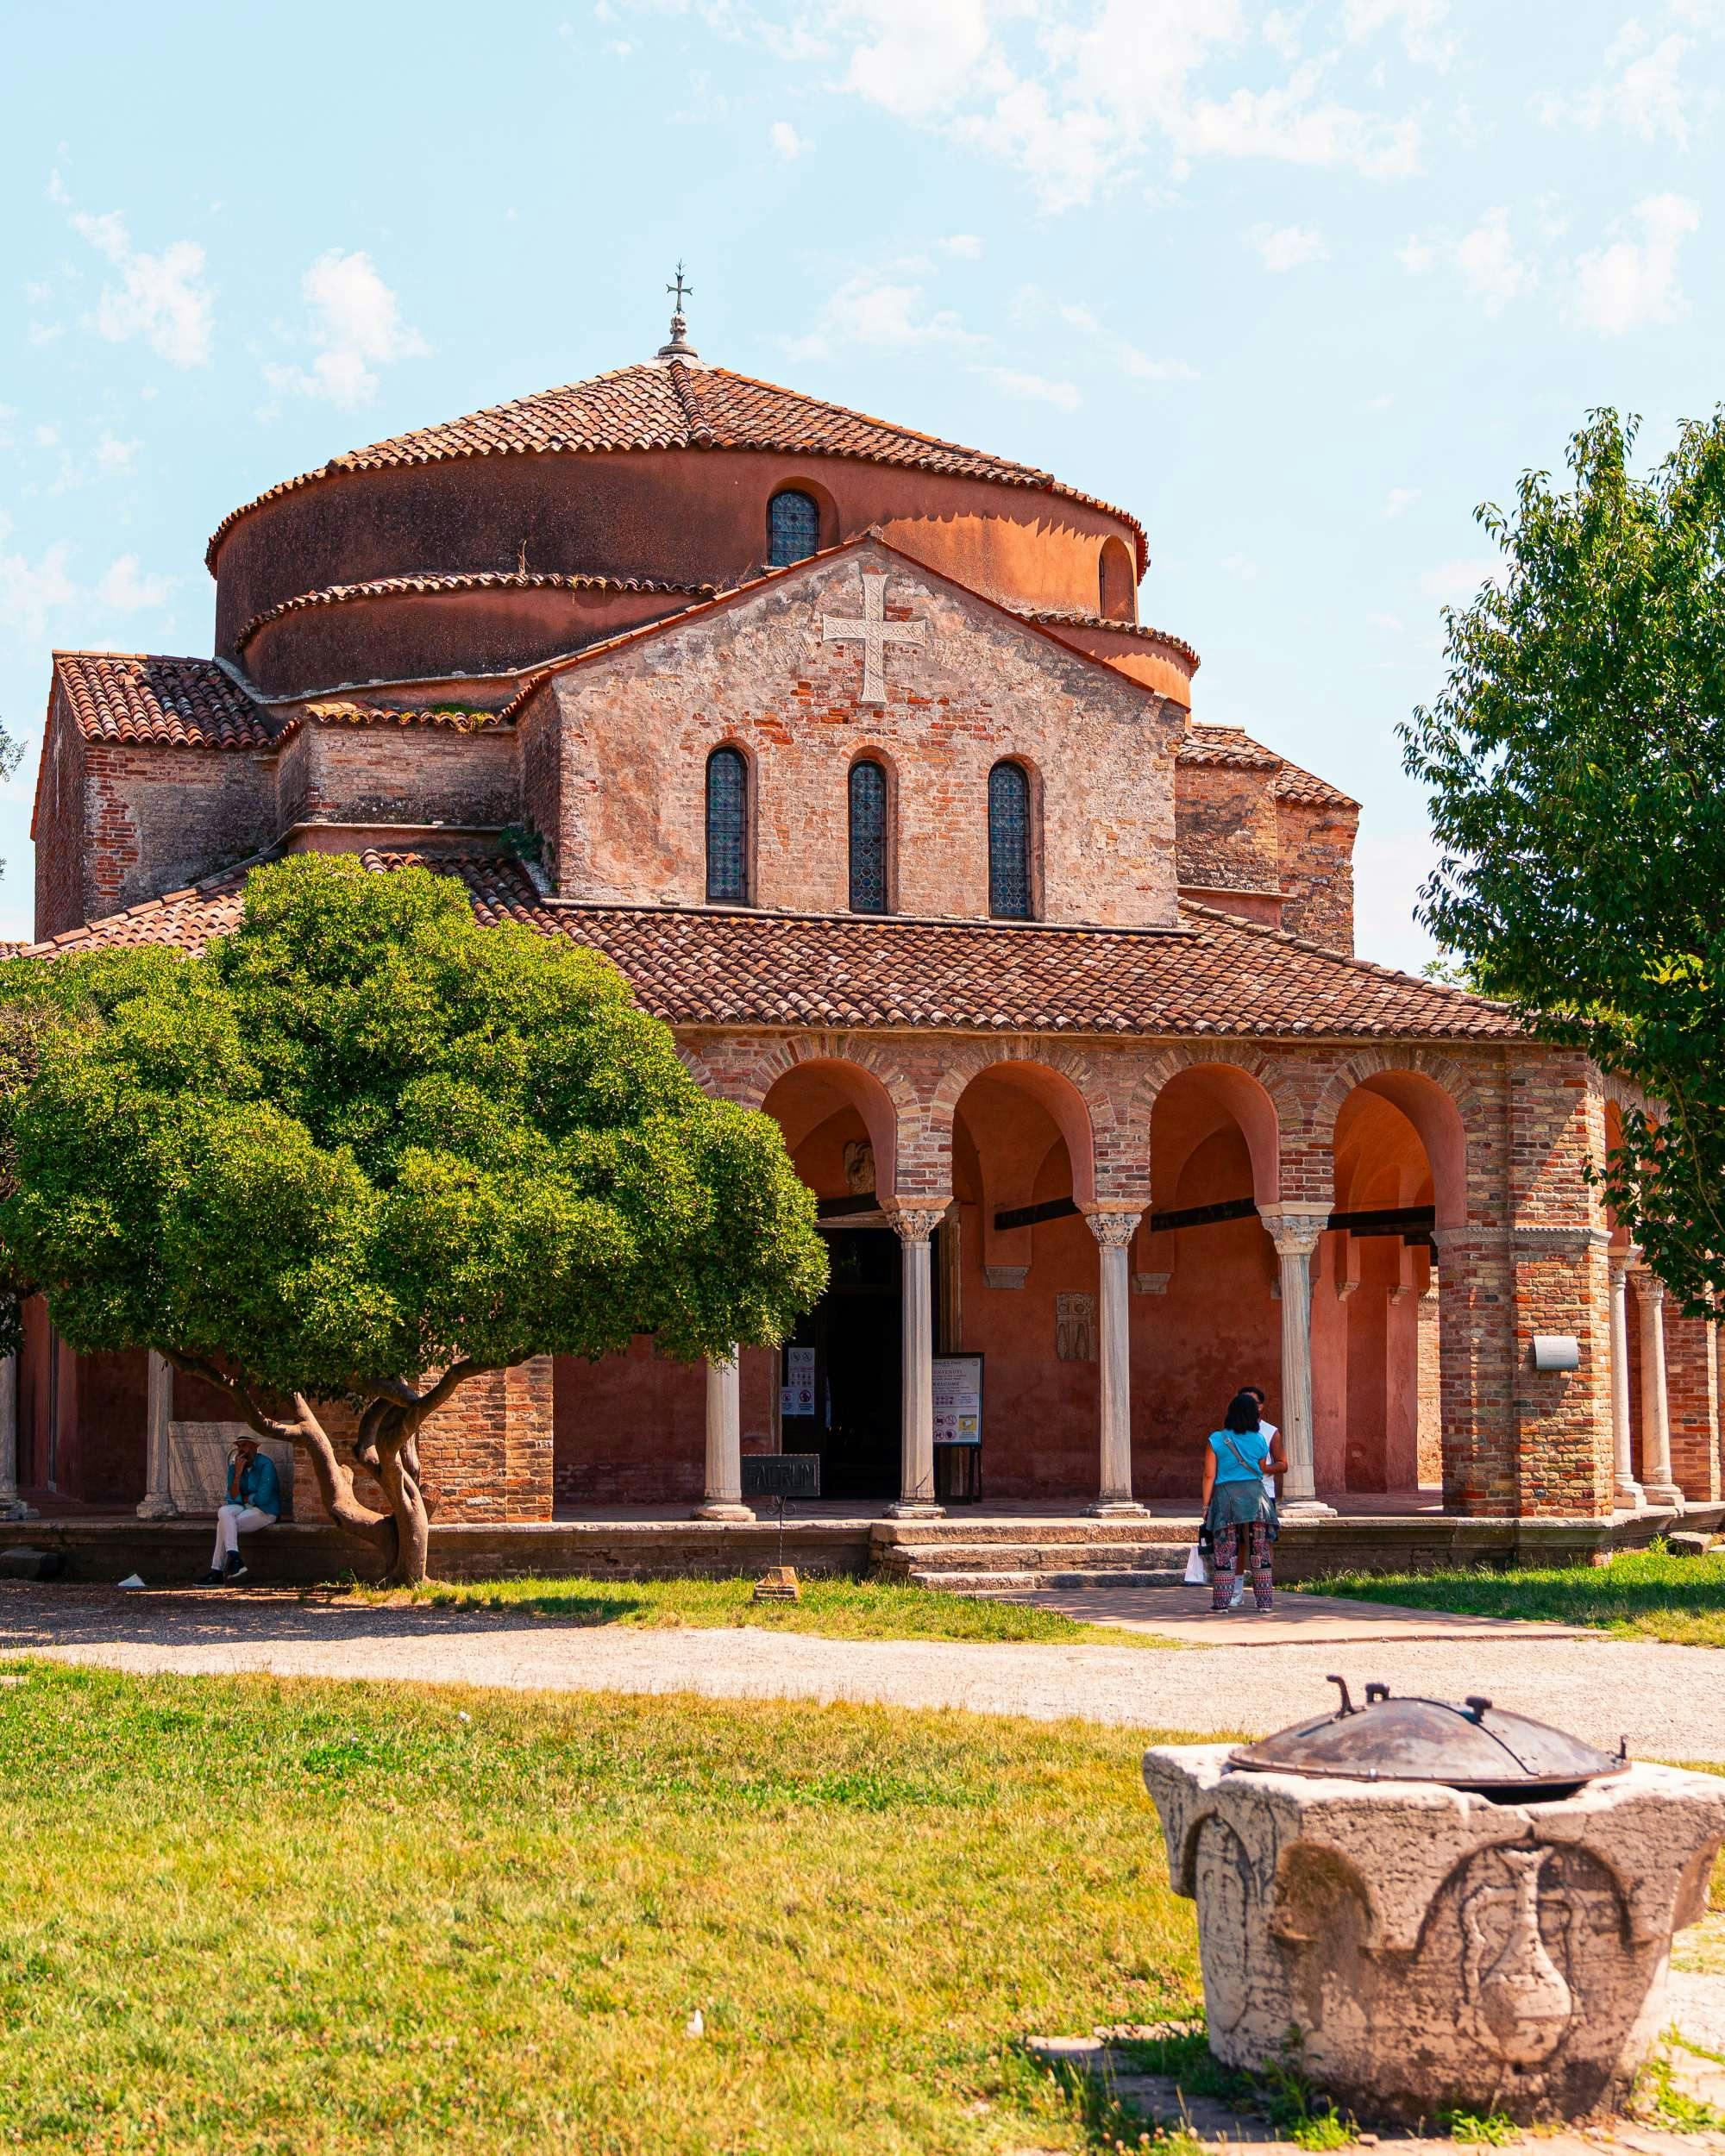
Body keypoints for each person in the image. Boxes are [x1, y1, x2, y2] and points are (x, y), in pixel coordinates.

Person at [1200, 1392, 1286, 1614]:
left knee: (1226, 1551)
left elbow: (1209, 1475)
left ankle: (1222, 1602)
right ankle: (1264, 1603)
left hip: (1226, 1498)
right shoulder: (1259, 1440)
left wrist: (1206, 1505)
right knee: (1260, 1550)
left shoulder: (1216, 1439)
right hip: (1257, 1498)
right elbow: (1259, 1468)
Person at [202, 1437, 281, 1585]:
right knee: (224, 1512)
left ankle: (217, 1572)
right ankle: (235, 1557)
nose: (241, 1450)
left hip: (265, 1511)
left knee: (223, 1525)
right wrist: (238, 1474)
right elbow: (232, 1498)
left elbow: (263, 1499)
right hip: (243, 1508)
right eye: (239, 1447)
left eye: (244, 1446)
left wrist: (247, 1498)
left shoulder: (266, 1465)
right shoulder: (235, 1467)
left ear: (254, 1447)